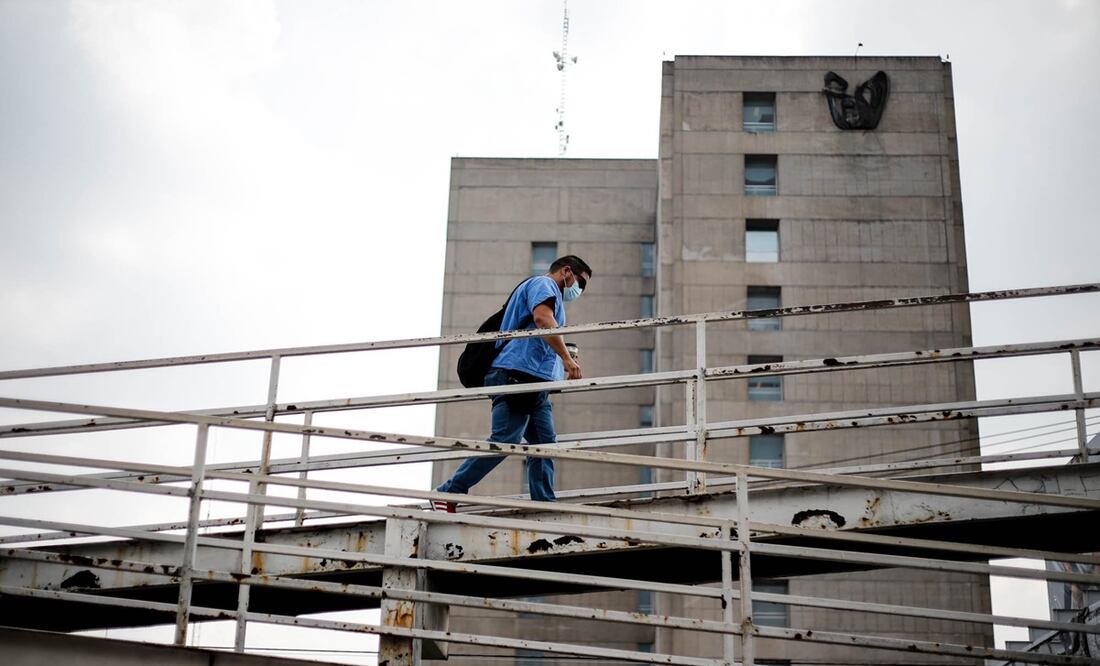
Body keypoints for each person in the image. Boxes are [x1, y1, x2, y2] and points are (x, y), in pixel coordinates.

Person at [432, 255, 593, 511]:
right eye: (580, 283)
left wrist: (563, 355)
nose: (579, 290)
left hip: (536, 382)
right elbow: (542, 319)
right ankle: (448, 491)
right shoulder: (544, 285)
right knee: (507, 437)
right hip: (517, 374)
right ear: (566, 272)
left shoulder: (549, 293)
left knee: (544, 444)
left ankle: (544, 505)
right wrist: (566, 358)